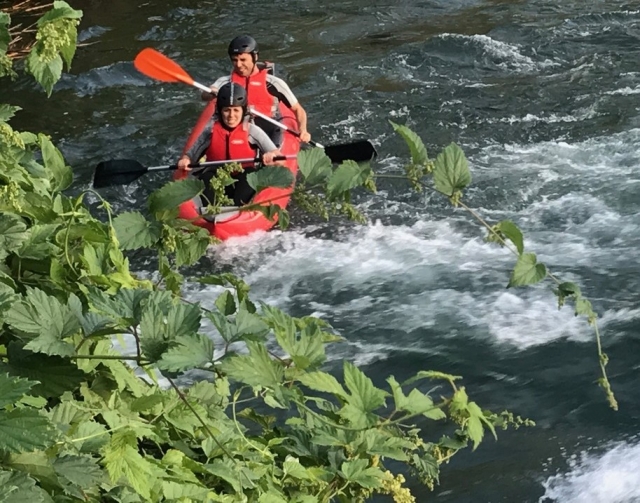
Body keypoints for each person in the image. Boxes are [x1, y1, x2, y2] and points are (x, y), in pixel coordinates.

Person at [178, 82, 283, 206]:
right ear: (220, 111)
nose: (231, 115)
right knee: (206, 178)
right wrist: (185, 161)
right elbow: (189, 156)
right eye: (227, 110)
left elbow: (280, 159)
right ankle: (210, 212)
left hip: (244, 177)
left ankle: (240, 208)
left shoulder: (252, 131)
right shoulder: (210, 132)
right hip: (219, 179)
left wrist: (272, 158)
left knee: (250, 175)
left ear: (243, 110)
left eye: (236, 110)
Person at [202, 35, 311, 145]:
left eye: (243, 60)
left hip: (269, 126)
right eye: (235, 60)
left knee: (275, 154)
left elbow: (298, 110)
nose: (239, 65)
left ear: (255, 57)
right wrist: (211, 92)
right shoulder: (225, 82)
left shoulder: (273, 83)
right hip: (237, 127)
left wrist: (303, 130)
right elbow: (205, 95)